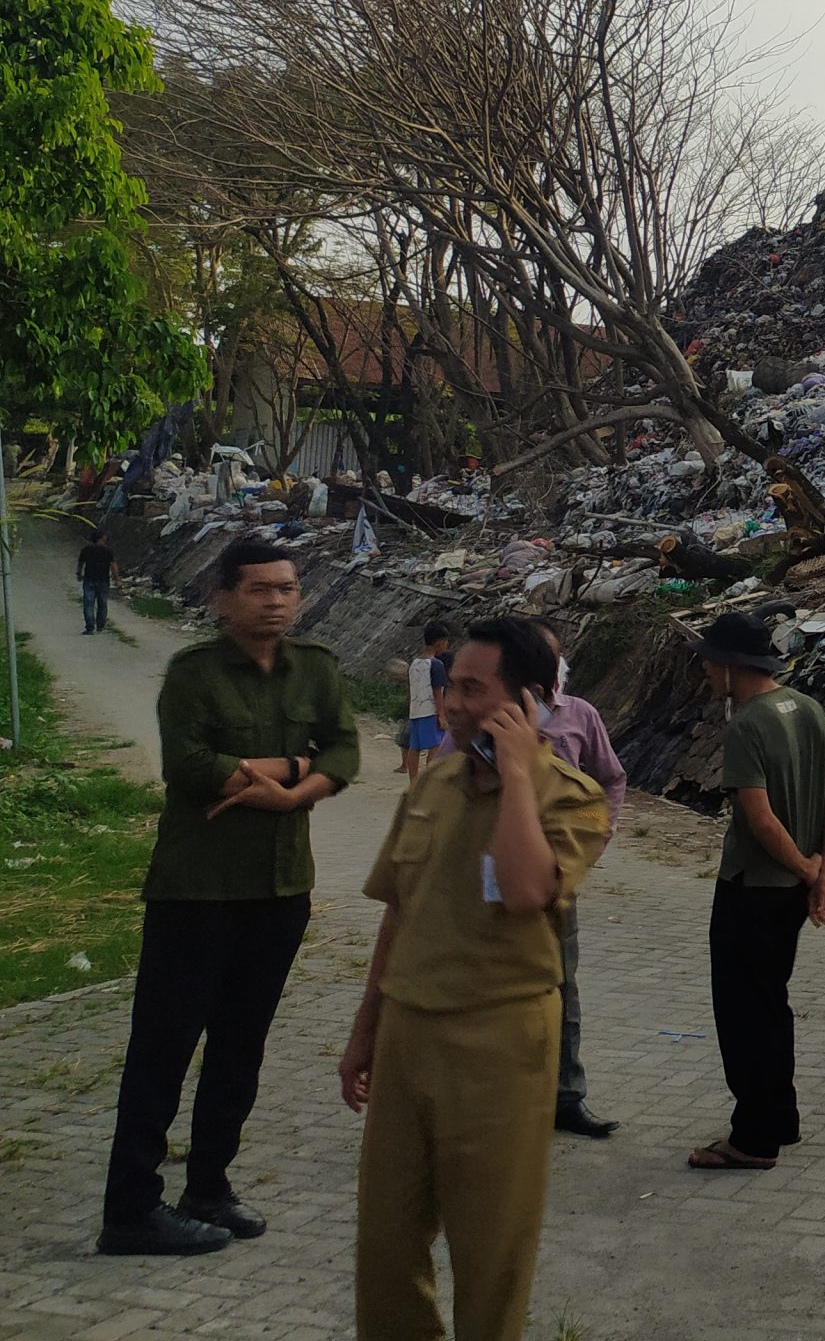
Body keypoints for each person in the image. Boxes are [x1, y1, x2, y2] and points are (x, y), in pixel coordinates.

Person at [339, 615, 609, 1341]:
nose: (451, 705)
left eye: (471, 690)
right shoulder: (435, 782)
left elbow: (524, 892)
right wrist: (364, 1033)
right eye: (450, 686)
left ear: (527, 702)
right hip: (408, 1032)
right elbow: (399, 911)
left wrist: (517, 772)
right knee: (387, 1242)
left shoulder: (571, 796)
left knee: (490, 1247)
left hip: (500, 1042)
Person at [97, 536, 361, 1257]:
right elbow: (187, 763)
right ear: (223, 598)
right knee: (163, 1049)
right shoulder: (194, 673)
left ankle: (208, 1188)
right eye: (258, 589)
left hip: (280, 888)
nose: (276, 601)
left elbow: (345, 749)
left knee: (241, 1047)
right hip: (197, 891)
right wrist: (293, 765)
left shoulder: (317, 668)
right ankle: (130, 1210)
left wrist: (290, 793)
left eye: (286, 588)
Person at [432, 619, 628, 1138]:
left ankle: (565, 1095)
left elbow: (609, 779)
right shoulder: (469, 729)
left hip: (549, 877)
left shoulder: (579, 715)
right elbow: (445, 781)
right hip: (478, 878)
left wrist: (594, 839)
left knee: (559, 986)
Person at [686, 613, 825, 1173]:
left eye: (710, 662)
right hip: (789, 896)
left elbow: (759, 819)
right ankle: (780, 1118)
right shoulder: (809, 708)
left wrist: (808, 869)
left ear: (733, 666)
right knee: (771, 1004)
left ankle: (753, 1140)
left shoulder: (747, 726)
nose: (706, 670)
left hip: (752, 889)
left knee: (743, 1015)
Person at [402, 622, 451, 780]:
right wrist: (441, 715)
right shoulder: (436, 664)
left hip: (415, 711)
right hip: (430, 711)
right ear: (439, 642)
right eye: (445, 642)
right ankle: (428, 780)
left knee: (414, 748)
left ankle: (414, 782)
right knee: (436, 746)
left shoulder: (414, 663)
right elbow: (438, 692)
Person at [76, 529, 116, 635]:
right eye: (104, 537)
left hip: (89, 579)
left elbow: (80, 563)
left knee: (88, 604)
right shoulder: (108, 551)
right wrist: (116, 579)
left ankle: (90, 627)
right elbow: (113, 565)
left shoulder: (86, 550)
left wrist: (79, 574)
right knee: (102, 603)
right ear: (100, 538)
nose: (106, 538)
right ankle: (100, 625)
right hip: (103, 581)